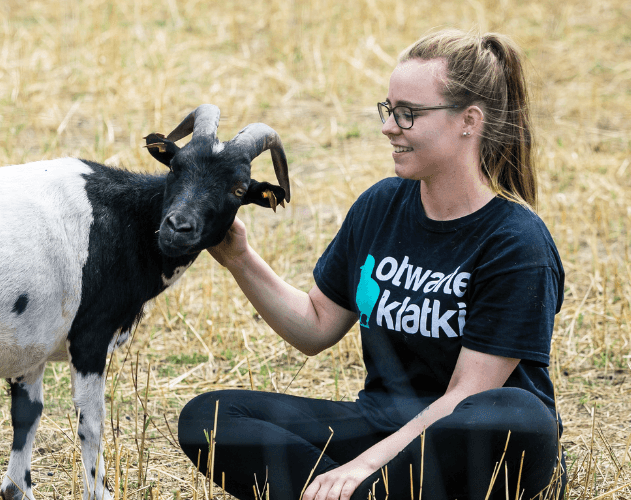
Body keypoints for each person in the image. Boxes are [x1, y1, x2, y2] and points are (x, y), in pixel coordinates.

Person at [177, 29, 566, 500]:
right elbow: (315, 326)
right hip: (381, 426)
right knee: (210, 419)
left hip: (469, 449)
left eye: (409, 114)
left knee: (517, 414)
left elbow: (465, 396)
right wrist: (239, 258)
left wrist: (361, 467)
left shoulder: (516, 242)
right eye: (389, 109)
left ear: (469, 120)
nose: (389, 127)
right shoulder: (381, 205)